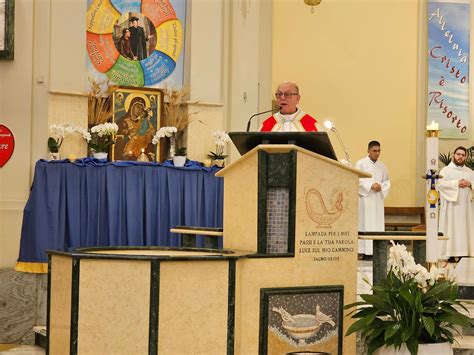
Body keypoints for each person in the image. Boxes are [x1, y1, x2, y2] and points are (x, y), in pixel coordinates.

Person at [355, 141, 391, 256]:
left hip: (377, 199)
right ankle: (362, 250)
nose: (377, 153)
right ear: (368, 150)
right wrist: (370, 185)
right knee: (364, 223)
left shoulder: (382, 166)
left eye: (379, 151)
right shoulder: (361, 164)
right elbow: (356, 179)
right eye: (374, 150)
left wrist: (381, 186)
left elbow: (387, 181)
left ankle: (376, 251)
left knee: (377, 224)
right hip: (365, 198)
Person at [438, 146, 474, 259]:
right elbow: (440, 184)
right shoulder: (446, 171)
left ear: (466, 157)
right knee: (451, 229)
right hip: (451, 208)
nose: (460, 157)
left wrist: (470, 184)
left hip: (466, 208)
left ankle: (465, 252)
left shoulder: (469, 172)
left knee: (465, 229)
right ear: (454, 155)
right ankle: (450, 253)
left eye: (463, 155)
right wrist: (456, 183)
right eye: (458, 154)